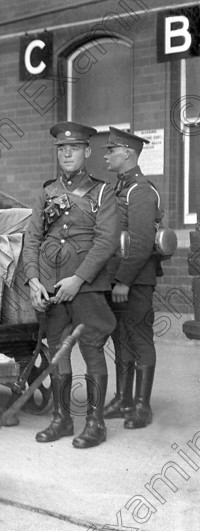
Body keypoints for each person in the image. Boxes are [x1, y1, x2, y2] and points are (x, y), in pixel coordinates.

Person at [22, 121, 120, 449]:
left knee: (92, 349)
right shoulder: (46, 192)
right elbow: (32, 238)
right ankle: (61, 420)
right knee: (57, 352)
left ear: (87, 152)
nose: (66, 153)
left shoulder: (103, 192)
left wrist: (78, 280)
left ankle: (95, 423)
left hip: (87, 287)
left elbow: (106, 242)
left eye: (74, 148)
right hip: (50, 287)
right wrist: (34, 279)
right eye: (62, 149)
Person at [102, 127, 160, 429]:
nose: (106, 155)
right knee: (120, 337)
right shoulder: (117, 190)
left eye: (111, 150)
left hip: (135, 280)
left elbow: (140, 242)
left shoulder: (141, 191)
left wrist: (124, 280)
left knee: (139, 337)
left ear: (128, 153)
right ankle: (123, 398)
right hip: (116, 280)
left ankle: (141, 406)